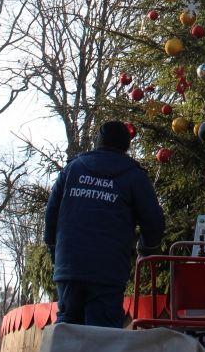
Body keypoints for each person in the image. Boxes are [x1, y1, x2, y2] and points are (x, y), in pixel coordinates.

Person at [44, 120, 165, 328]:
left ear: (98, 141)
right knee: (102, 336)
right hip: (107, 270)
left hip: (69, 266)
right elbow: (153, 221)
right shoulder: (134, 176)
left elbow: (51, 215)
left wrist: (56, 253)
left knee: (66, 329)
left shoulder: (72, 170)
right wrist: (146, 248)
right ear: (126, 146)